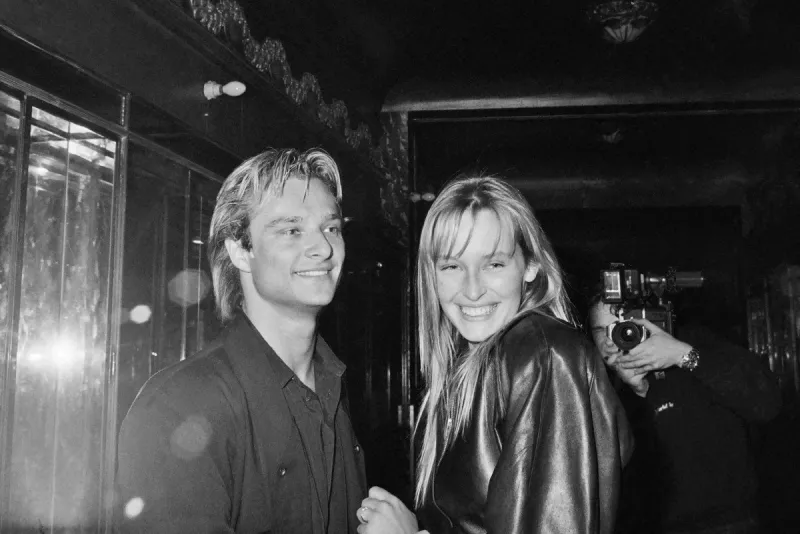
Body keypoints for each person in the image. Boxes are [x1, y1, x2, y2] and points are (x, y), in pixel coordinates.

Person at [358, 175, 633, 534]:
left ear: (531, 266)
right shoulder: (470, 363)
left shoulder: (545, 356)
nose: (472, 290)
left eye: (494, 264)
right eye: (452, 266)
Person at [115, 148, 369, 533]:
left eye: (331, 228)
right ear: (240, 250)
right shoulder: (178, 407)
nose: (324, 247)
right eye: (291, 230)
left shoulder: (334, 391)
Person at [588, 294, 782, 534]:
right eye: (601, 330)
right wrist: (638, 395)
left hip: (728, 524)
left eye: (621, 326)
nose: (613, 339)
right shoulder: (598, 388)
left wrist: (685, 356)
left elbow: (767, 404)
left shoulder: (694, 344)